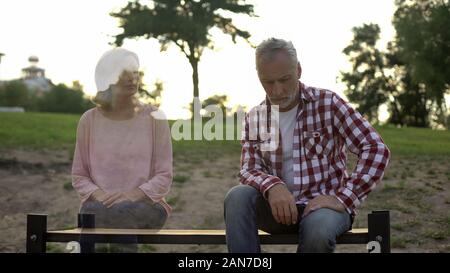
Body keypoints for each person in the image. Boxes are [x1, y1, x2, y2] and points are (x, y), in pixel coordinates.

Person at [224, 38, 391, 253]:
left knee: (318, 230)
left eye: (284, 79)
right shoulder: (255, 116)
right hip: (278, 211)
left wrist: (343, 198)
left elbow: (375, 148)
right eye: (268, 82)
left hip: (324, 210)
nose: (277, 91)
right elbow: (249, 169)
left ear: (299, 70)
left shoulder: (328, 103)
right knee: (237, 197)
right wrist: (273, 186)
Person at [71, 48, 172, 252]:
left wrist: (131, 195)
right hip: (98, 206)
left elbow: (164, 176)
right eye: (123, 71)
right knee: (91, 211)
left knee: (119, 211)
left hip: (147, 207)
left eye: (135, 71)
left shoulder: (155, 118)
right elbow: (79, 176)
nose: (132, 77)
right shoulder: (88, 120)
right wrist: (99, 195)